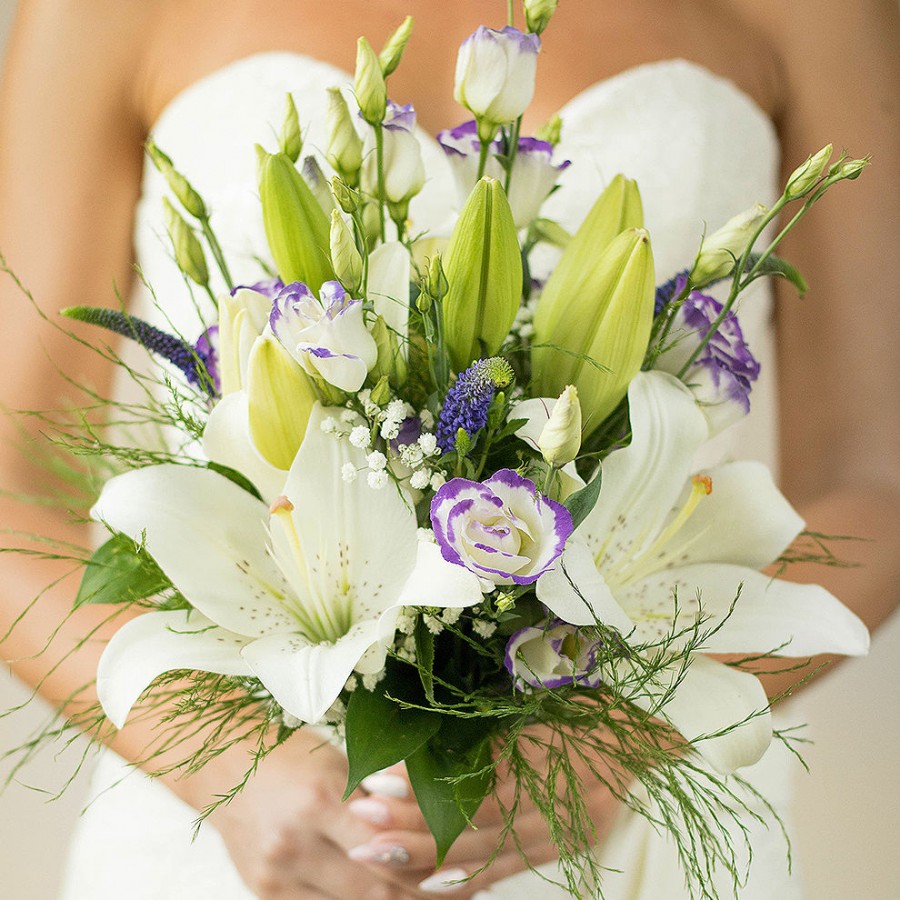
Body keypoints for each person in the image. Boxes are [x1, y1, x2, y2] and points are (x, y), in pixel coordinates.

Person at [0, 1, 897, 897]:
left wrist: (630, 733)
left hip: (620, 821)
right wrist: (219, 757)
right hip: (231, 827)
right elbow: (10, 493)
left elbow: (876, 485)